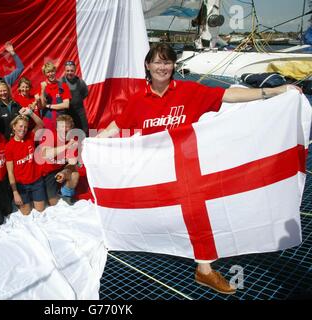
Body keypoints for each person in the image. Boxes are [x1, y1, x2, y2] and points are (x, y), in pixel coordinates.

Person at [97, 43, 301, 295]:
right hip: (156, 173)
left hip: (188, 173)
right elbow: (118, 125)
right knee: (151, 214)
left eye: (168, 62)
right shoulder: (138, 100)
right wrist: (92, 144)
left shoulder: (188, 90)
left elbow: (228, 95)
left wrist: (274, 91)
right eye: (158, 62)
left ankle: (204, 270)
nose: (163, 67)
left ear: (173, 66)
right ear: (148, 66)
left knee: (197, 214)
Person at [5, 113, 45, 216]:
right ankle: (27, 198)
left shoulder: (30, 136)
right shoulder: (9, 146)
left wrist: (30, 113)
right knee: (26, 212)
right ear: (14, 127)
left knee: (40, 210)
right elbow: (10, 171)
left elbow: (41, 124)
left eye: (26, 127)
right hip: (21, 185)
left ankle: (34, 196)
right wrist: (15, 192)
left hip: (36, 181)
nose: (23, 129)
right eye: (20, 126)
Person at [37, 114, 80, 206]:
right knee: (53, 203)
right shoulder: (50, 135)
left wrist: (64, 172)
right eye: (61, 127)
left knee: (75, 175)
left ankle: (66, 194)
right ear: (56, 128)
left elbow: (72, 162)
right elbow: (45, 154)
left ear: (71, 128)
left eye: (67, 126)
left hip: (60, 168)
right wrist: (66, 146)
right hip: (47, 172)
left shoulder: (73, 138)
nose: (64, 129)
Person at [59, 61, 89, 135]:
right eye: (68, 70)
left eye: (72, 71)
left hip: (79, 112)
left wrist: (76, 101)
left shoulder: (81, 82)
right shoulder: (60, 82)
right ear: (64, 71)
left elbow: (85, 94)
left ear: (75, 70)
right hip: (66, 112)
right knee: (68, 134)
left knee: (84, 131)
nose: (70, 73)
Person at [40, 62, 71, 130]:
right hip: (47, 120)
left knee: (61, 140)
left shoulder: (63, 86)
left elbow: (66, 105)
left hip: (61, 120)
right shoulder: (42, 86)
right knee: (48, 140)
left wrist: (49, 106)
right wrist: (42, 90)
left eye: (52, 71)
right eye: (48, 72)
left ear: (55, 71)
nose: (50, 74)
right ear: (45, 74)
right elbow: (42, 105)